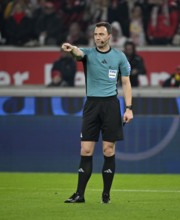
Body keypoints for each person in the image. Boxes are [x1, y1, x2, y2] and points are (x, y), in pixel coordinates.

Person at [61, 22, 133, 204]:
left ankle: (106, 194)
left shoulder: (119, 57)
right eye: (96, 34)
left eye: (101, 34)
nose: (98, 38)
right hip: (92, 105)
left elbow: (126, 83)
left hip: (110, 105)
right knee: (86, 149)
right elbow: (78, 53)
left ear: (109, 36)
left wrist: (129, 108)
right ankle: (79, 194)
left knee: (108, 150)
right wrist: (71, 49)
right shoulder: (88, 53)